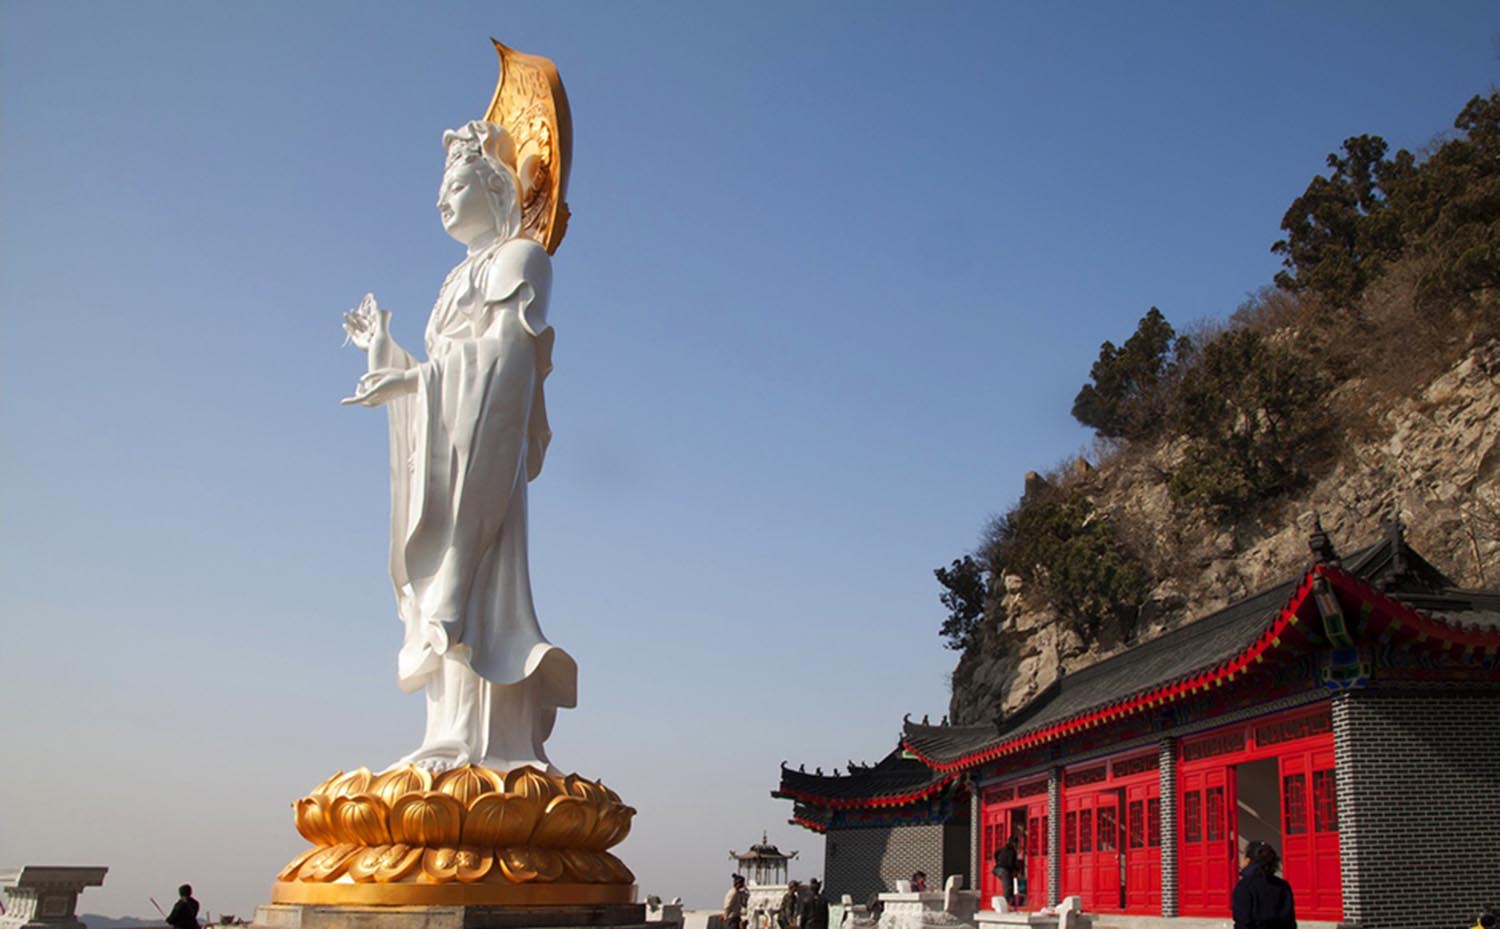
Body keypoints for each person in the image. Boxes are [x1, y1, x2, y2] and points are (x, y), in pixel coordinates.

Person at [342, 119, 577, 772]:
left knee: (474, 595)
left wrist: (419, 377)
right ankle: (446, 734)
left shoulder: (522, 259)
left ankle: (495, 746)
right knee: (436, 607)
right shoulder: (454, 279)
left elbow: (506, 365)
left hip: (485, 462)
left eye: (454, 184)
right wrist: (387, 355)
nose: (442, 200)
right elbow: (444, 367)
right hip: (446, 453)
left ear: (495, 184)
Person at [1231, 842, 1297, 929]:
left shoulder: (1244, 886)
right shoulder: (1283, 886)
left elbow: (1242, 922)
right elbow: (1290, 922)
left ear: (1248, 860)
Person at [993, 835, 1021, 906]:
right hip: (1003, 869)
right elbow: (1011, 863)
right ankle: (1006, 904)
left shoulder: (1002, 849)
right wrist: (1017, 869)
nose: (1017, 845)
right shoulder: (1012, 852)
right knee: (1007, 888)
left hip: (997, 869)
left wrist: (998, 861)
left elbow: (996, 853)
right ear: (1014, 843)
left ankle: (1010, 902)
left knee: (1009, 884)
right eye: (1017, 843)